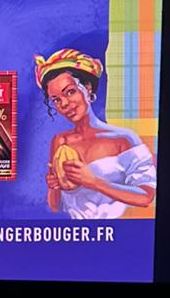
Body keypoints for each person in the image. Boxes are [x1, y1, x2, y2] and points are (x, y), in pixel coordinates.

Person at [35, 47, 156, 219]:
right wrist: (54, 187)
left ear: (87, 88)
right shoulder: (60, 142)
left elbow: (146, 197)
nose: (64, 104)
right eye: (56, 99)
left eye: (70, 92)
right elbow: (56, 207)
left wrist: (93, 181)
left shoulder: (123, 139)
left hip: (114, 231)